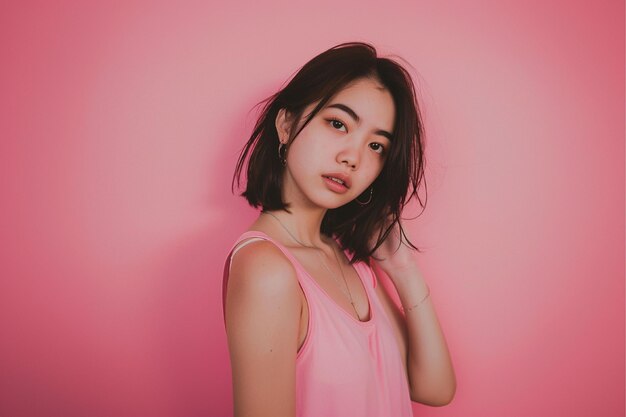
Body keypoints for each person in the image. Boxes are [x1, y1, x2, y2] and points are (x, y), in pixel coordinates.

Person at [222, 42, 456, 417]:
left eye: (376, 145)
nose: (353, 157)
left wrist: (402, 269)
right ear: (286, 125)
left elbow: (435, 387)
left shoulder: (350, 261)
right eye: (337, 124)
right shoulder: (267, 269)